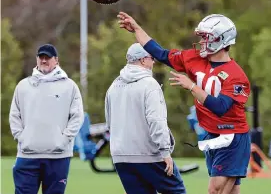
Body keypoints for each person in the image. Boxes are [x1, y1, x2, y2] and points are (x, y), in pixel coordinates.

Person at [117, 12, 251, 194]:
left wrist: (192, 86)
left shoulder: (237, 75)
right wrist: (137, 29)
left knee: (215, 190)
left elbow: (220, 107)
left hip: (232, 137)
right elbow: (161, 53)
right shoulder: (194, 58)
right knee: (229, 191)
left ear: (221, 40)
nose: (202, 42)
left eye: (206, 37)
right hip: (211, 134)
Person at [105, 43, 186, 194]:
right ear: (143, 60)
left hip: (121, 157)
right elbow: (156, 120)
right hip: (149, 155)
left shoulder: (113, 86)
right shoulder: (150, 84)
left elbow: (110, 122)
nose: (154, 62)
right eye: (152, 58)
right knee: (177, 191)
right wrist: (165, 152)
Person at [9, 44, 84, 194]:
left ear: (56, 60)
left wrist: (64, 140)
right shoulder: (23, 86)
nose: (44, 60)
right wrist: (22, 138)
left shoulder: (69, 86)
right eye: (41, 57)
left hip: (58, 156)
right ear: (36, 59)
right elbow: (14, 115)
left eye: (47, 58)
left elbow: (77, 116)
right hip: (27, 155)